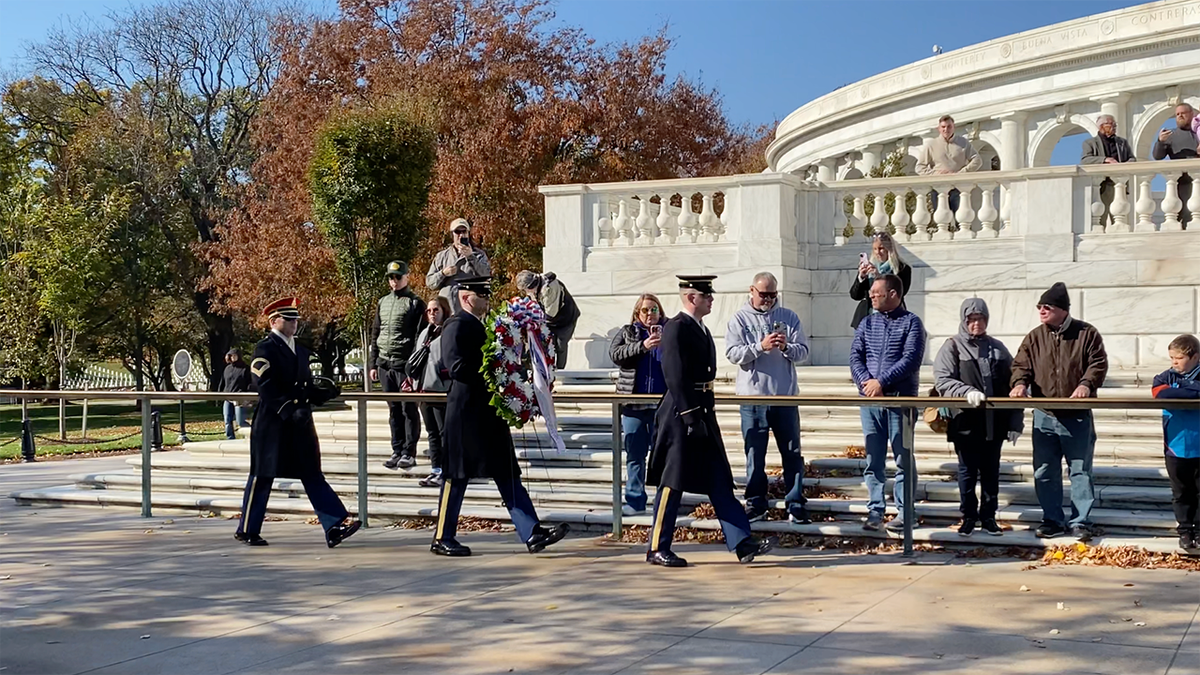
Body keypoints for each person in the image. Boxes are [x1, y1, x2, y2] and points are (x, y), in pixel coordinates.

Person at [431, 276, 570, 557]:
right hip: (466, 412)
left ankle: (532, 531)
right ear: (466, 298)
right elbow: (456, 367)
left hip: (489, 412)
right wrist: (497, 374)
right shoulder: (456, 325)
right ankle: (442, 536)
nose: (486, 298)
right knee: (455, 476)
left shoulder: (487, 327)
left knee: (507, 472)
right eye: (481, 294)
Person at [645, 274, 776, 568]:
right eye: (706, 296)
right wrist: (690, 416)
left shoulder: (699, 328)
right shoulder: (676, 328)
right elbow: (675, 375)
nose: (711, 300)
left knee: (719, 479)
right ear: (692, 298)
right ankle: (657, 547)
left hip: (703, 409)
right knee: (671, 482)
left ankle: (743, 542)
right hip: (681, 414)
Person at [234, 297, 361, 548]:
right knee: (262, 476)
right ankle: (247, 528)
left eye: (295, 319)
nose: (294, 324)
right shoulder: (265, 349)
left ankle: (334, 525)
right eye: (289, 319)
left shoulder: (300, 349)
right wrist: (288, 409)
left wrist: (322, 393)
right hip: (274, 422)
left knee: (312, 473)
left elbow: (303, 385)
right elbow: (265, 386)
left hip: (299, 423)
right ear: (274, 321)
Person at [1010, 282, 1108, 541]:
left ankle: (1080, 521)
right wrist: (1020, 383)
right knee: (1044, 469)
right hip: (1044, 414)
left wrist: (1086, 385)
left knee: (1080, 470)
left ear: (1063, 310)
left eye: (1047, 307)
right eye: (1039, 307)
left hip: (1076, 414)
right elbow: (1021, 364)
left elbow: (1097, 363)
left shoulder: (1087, 333)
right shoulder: (1034, 336)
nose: (1042, 311)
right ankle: (1052, 519)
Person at [725, 271, 811, 524]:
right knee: (754, 453)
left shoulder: (788, 317)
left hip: (784, 396)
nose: (769, 300)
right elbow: (732, 353)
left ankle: (795, 502)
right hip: (753, 398)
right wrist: (759, 347)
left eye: (773, 295)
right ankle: (755, 502)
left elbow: (803, 351)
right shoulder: (739, 319)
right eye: (764, 294)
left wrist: (786, 347)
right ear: (751, 290)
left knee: (792, 452)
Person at [933, 298, 1023, 537]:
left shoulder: (998, 348)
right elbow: (942, 380)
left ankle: (989, 516)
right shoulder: (952, 346)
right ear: (964, 320)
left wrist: (1016, 421)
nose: (976, 324)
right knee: (967, 471)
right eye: (972, 319)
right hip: (965, 422)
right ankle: (969, 516)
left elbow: (1015, 383)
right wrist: (966, 392)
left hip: (994, 423)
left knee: (991, 471)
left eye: (981, 318)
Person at [849, 274, 926, 533]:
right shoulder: (867, 323)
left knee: (903, 458)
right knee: (874, 459)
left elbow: (911, 359)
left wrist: (881, 382)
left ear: (893, 294)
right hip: (870, 402)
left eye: (876, 292)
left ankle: (906, 512)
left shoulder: (912, 322)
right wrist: (866, 383)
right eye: (871, 292)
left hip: (899, 401)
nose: (871, 296)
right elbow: (855, 356)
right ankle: (875, 510)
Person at [608, 293, 668, 515]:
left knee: (664, 456)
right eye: (645, 310)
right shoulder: (628, 332)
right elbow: (615, 354)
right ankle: (635, 501)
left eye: (654, 309)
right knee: (635, 454)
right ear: (637, 313)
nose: (650, 314)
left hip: (662, 404)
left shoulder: (669, 331)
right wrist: (642, 346)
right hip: (634, 404)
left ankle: (664, 502)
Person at [369, 260, 426, 471]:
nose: (394, 281)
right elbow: (376, 333)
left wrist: (413, 368)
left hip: (405, 365)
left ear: (407, 277)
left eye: (398, 277)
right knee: (393, 410)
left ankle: (409, 452)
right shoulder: (383, 302)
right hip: (385, 364)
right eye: (391, 277)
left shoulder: (415, 303)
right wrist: (373, 363)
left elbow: (420, 338)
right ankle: (397, 449)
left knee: (408, 409)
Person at [1151, 334, 1200, 551]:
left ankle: (1199, 531)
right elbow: (1159, 392)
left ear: (1195, 357)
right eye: (1171, 358)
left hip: (1198, 443)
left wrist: (1181, 393)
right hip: (1175, 445)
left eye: (1179, 358)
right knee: (1181, 492)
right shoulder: (1165, 376)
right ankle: (1185, 530)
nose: (1174, 363)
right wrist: (1189, 392)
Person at [412, 296, 453, 488]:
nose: (432, 314)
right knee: (432, 433)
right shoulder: (424, 334)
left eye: (436, 310)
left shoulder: (448, 332)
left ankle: (447, 469)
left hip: (441, 389)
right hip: (423, 390)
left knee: (444, 432)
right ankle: (436, 469)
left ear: (444, 310)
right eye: (429, 311)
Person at [915, 115, 981, 215]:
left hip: (959, 188)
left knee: (962, 219)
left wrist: (961, 173)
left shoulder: (963, 143)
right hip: (938, 188)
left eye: (949, 126)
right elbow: (919, 167)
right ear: (939, 128)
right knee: (941, 221)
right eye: (943, 127)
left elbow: (977, 160)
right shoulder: (931, 145)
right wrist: (936, 174)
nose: (946, 129)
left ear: (954, 127)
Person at [515, 269, 580, 370]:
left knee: (560, 345)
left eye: (525, 290)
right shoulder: (537, 286)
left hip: (566, 319)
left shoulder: (549, 289)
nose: (526, 293)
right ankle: (546, 370)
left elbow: (551, 314)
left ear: (531, 286)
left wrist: (536, 320)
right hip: (552, 321)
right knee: (545, 343)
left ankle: (559, 371)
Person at [426, 218, 491, 316]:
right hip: (447, 311)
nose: (461, 235)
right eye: (457, 232)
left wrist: (471, 257)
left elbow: (486, 275)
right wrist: (443, 273)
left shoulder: (479, 255)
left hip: (470, 310)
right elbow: (430, 283)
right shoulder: (442, 256)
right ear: (452, 234)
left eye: (464, 231)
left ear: (468, 233)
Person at [1080, 114, 1135, 228]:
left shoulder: (1122, 142)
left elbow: (1132, 157)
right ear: (1101, 126)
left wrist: (1129, 163)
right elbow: (1085, 160)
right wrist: (1104, 160)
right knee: (1100, 221)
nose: (1114, 126)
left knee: (1121, 221)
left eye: (1115, 124)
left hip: (1119, 184)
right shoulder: (1090, 143)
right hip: (1102, 186)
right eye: (1110, 124)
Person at [848, 232, 912, 330]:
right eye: (875, 249)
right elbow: (855, 295)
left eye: (881, 248)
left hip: (892, 319)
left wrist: (879, 277)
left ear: (889, 249)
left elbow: (900, 293)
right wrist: (861, 277)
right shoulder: (869, 266)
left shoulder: (902, 269)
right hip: (867, 319)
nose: (878, 252)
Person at [1152, 103, 1199, 226]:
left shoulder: (1198, 133)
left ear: (1192, 114)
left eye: (1183, 113)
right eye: (1177, 114)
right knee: (1186, 216)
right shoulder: (1170, 136)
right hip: (1182, 183)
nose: (1180, 116)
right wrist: (1160, 142)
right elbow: (1157, 156)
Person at [220, 348, 252, 440]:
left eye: (234, 355)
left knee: (240, 421)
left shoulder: (245, 369)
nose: (233, 357)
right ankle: (230, 438)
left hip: (240, 398)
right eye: (231, 356)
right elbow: (223, 382)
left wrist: (248, 397)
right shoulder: (227, 368)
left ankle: (251, 435)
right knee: (227, 420)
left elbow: (250, 383)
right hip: (228, 397)